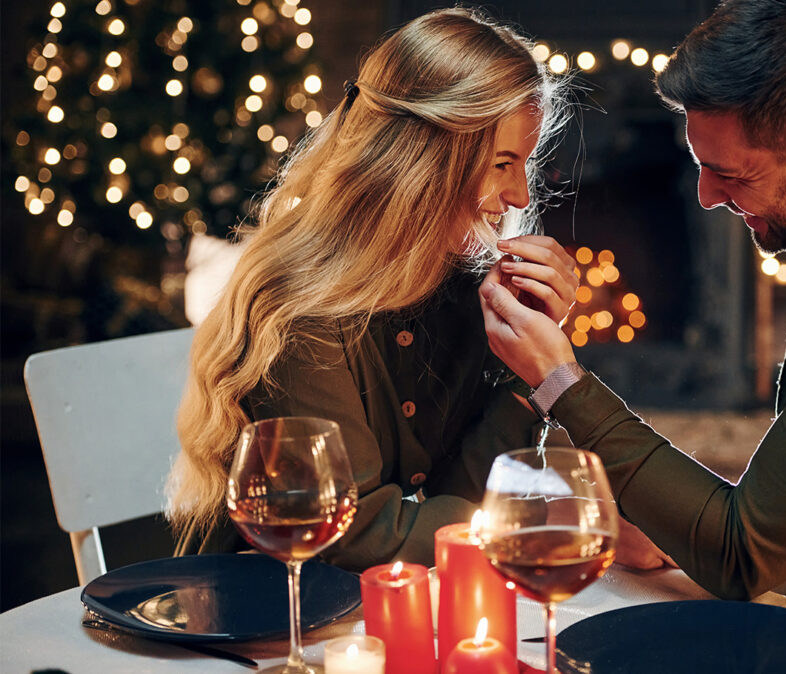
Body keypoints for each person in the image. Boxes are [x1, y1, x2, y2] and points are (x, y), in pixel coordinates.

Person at [479, 0, 786, 614]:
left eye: (731, 175)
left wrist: (562, 380)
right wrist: (679, 520)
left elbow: (741, 555)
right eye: (699, 168)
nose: (704, 196)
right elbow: (780, 510)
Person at [164, 7, 582, 570]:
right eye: (502, 163)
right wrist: (546, 523)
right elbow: (352, 532)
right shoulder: (297, 308)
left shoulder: (461, 287)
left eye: (524, 165)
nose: (520, 197)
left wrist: (529, 367)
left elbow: (460, 491)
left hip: (380, 614)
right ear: (420, 160)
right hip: (265, 623)